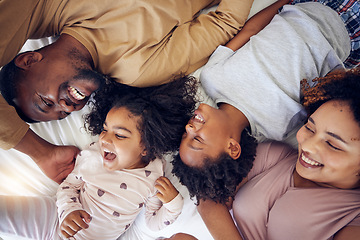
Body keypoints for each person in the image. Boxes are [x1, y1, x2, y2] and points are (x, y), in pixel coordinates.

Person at [0, 0, 255, 183]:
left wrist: (41, 153)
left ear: (29, 60)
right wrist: (43, 152)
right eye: (62, 114)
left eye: (46, 102)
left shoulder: (40, 6)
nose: (66, 107)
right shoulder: (139, 70)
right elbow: (224, 22)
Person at [173, 0, 359, 202]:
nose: (190, 128)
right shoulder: (278, 127)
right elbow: (326, 87)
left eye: (186, 133)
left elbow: (251, 30)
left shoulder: (212, 77)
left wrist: (284, 3)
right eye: (197, 139)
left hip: (306, 7)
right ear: (233, 147)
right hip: (347, 35)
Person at [0, 76, 199, 239]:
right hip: (54, 220)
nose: (104, 139)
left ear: (146, 147)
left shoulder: (155, 176)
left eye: (120, 135)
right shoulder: (93, 154)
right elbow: (69, 187)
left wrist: (173, 204)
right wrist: (69, 211)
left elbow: (153, 223)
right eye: (104, 130)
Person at [172, 68, 360, 239]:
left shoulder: (353, 215)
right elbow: (208, 196)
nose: (308, 145)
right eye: (310, 128)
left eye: (332, 144)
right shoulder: (280, 157)